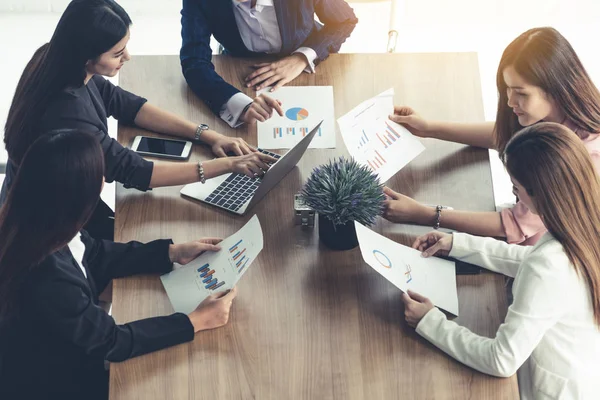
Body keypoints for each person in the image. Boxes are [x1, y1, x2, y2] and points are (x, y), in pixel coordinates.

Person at [2, 0, 275, 240]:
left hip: (59, 196)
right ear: (87, 56)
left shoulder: (59, 61)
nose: (128, 57)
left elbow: (126, 105)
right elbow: (135, 171)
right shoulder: (68, 112)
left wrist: (208, 135)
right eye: (117, 54)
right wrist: (227, 165)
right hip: (47, 223)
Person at [0, 130, 238, 400]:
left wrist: (171, 252)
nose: (104, 179)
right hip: (54, 382)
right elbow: (112, 341)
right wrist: (195, 321)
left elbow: (94, 252)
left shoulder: (38, 221)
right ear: (82, 194)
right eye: (101, 174)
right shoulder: (50, 279)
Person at [402, 123, 600, 399]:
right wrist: (457, 244)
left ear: (540, 192)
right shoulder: (587, 221)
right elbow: (529, 259)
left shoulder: (551, 266)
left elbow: (501, 360)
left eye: (516, 188)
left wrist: (430, 322)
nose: (515, 197)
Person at [383, 27, 600, 246]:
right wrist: (429, 128)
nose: (510, 101)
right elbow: (505, 134)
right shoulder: (552, 116)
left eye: (521, 93)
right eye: (507, 88)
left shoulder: (581, 157)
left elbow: (513, 225)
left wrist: (424, 214)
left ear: (554, 88)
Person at [180, 0, 358, 127]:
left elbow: (345, 21)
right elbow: (194, 61)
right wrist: (239, 104)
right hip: (241, 72)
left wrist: (301, 58)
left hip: (310, 66)